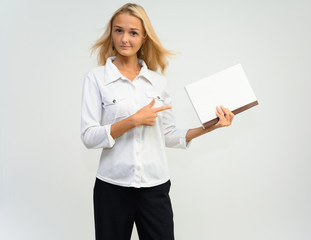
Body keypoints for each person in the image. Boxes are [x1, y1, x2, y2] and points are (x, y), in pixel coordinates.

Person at [80, 3, 234, 240]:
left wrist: (210, 125)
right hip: (111, 188)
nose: (124, 39)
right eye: (118, 30)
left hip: (155, 187)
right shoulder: (96, 78)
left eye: (133, 33)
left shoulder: (157, 82)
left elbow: (168, 135)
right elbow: (89, 136)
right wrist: (133, 120)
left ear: (144, 38)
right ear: (111, 33)